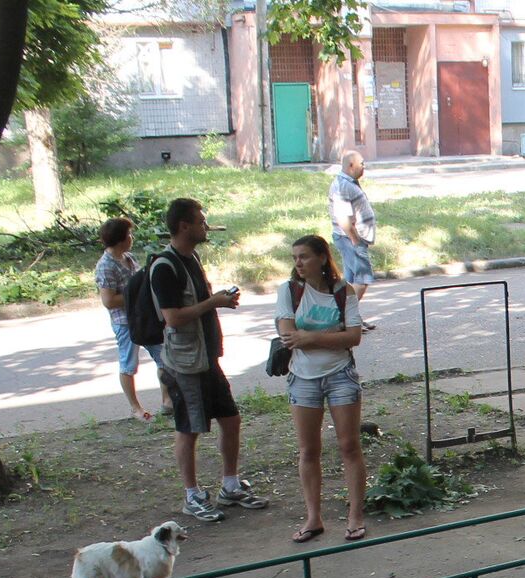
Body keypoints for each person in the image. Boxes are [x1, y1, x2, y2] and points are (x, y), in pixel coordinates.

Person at [151, 197, 265, 523]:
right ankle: (192, 495)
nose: (205, 225)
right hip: (185, 362)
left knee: (230, 419)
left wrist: (217, 302)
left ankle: (230, 485)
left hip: (207, 358)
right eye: (201, 221)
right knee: (189, 429)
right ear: (184, 226)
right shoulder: (165, 267)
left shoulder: (192, 258)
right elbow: (172, 317)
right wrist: (213, 302)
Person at [276, 235, 366, 544]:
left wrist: (310, 338)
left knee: (349, 446)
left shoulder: (344, 292)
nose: (298, 263)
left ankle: (355, 516)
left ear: (322, 258)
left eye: (304, 256)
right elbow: (288, 336)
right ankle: (313, 518)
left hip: (340, 374)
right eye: (294, 257)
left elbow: (353, 337)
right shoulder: (289, 291)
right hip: (303, 377)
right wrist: (329, 335)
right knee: (308, 449)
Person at [94, 216, 168, 420]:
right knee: (128, 364)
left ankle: (167, 401)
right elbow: (109, 300)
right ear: (119, 239)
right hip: (124, 322)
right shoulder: (106, 265)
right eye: (128, 234)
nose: (131, 238)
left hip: (143, 318)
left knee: (163, 358)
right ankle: (136, 408)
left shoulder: (128, 258)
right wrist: (136, 294)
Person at [329, 150, 377, 330]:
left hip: (352, 239)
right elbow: (343, 219)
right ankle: (344, 318)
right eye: (362, 163)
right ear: (351, 166)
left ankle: (352, 317)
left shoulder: (348, 183)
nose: (364, 167)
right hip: (350, 239)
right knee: (363, 279)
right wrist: (355, 241)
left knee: (350, 281)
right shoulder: (343, 186)